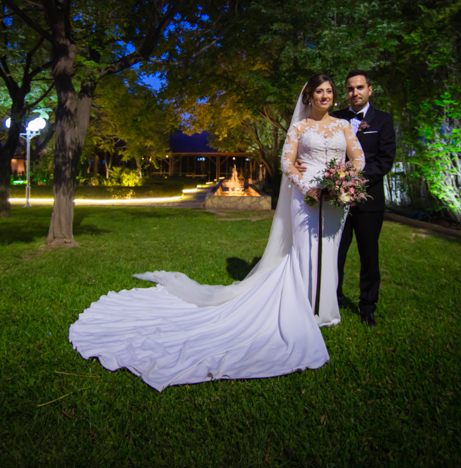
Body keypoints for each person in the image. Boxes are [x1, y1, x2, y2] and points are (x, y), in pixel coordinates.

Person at [68, 75, 365, 391]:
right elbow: (286, 161)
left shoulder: (344, 126)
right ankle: (304, 307)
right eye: (319, 91)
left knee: (331, 249)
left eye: (329, 91)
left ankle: (326, 309)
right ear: (308, 97)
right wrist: (308, 185)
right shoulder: (299, 127)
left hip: (337, 196)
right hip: (306, 196)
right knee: (306, 250)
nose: (325, 95)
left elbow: (357, 156)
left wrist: (344, 177)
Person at [331, 71, 396, 326]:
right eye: (349, 89)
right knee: (336, 253)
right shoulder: (336, 119)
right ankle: (332, 299)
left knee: (369, 254)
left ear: (370, 89)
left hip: (369, 201)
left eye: (359, 87)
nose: (354, 92)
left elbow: (385, 160)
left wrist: (354, 182)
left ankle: (368, 306)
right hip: (337, 200)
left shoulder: (383, 120)